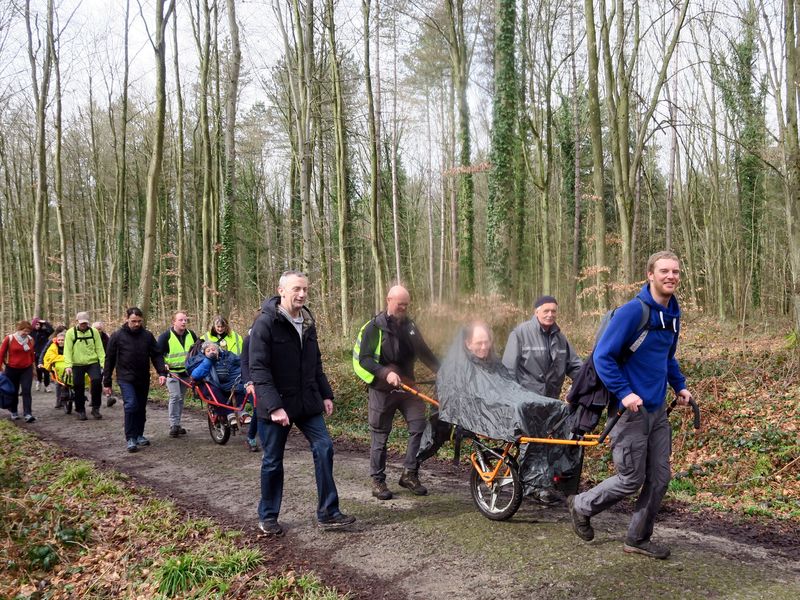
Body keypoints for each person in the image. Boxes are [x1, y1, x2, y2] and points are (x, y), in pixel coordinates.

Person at [568, 251, 694, 560]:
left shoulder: (673, 316)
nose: (671, 276)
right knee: (630, 479)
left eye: (675, 272)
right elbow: (603, 357)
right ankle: (581, 505)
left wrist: (680, 386)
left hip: (657, 412)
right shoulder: (631, 312)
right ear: (650, 275)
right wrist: (624, 392)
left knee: (660, 478)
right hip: (629, 412)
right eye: (664, 271)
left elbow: (667, 357)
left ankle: (638, 538)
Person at [249, 270, 355, 536]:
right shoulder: (265, 323)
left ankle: (328, 512)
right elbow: (258, 369)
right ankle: (268, 516)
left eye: (305, 289)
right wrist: (274, 406)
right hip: (276, 404)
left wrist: (326, 393)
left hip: (306, 401)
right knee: (273, 461)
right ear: (281, 290)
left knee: (324, 447)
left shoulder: (308, 322)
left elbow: (315, 362)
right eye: (297, 289)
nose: (302, 294)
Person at [420, 322, 581, 494]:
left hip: (508, 400)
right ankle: (534, 482)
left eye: (486, 342)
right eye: (479, 343)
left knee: (558, 408)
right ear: (468, 343)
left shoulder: (493, 363)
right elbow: (461, 397)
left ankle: (557, 476)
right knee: (521, 411)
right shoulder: (456, 368)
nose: (484, 347)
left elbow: (508, 385)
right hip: (488, 409)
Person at [354, 285, 440, 500]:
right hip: (382, 390)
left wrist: (442, 371)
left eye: (406, 304)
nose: (403, 307)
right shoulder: (374, 327)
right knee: (380, 435)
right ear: (388, 300)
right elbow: (363, 359)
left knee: (419, 426)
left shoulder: (410, 326)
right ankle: (378, 481)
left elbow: (424, 352)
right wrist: (385, 373)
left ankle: (409, 473)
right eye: (400, 303)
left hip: (408, 388)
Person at [502, 295, 583, 503]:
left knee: (550, 443)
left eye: (553, 311)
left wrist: (583, 384)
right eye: (545, 310)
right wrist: (512, 399)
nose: (550, 314)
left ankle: (544, 484)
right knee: (531, 444)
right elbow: (508, 370)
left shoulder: (560, 338)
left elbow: (575, 366)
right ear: (536, 311)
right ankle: (533, 488)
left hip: (551, 402)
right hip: (527, 402)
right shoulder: (520, 334)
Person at [103, 308, 167, 453]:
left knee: (140, 407)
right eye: (133, 321)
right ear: (126, 319)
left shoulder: (147, 336)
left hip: (143, 377)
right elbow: (109, 359)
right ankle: (130, 437)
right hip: (125, 378)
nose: (137, 324)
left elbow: (156, 355)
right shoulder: (117, 336)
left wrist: (161, 372)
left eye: (139, 321)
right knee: (131, 405)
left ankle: (139, 434)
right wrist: (107, 382)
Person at [157, 312, 198, 437]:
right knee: (175, 396)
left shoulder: (191, 334)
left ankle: (177, 423)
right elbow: (157, 355)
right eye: (181, 320)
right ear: (174, 322)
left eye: (185, 320)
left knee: (181, 398)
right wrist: (162, 367)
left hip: (186, 371)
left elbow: (197, 351)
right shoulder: (165, 337)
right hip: (172, 372)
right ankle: (173, 424)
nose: (184, 322)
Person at [188, 341, 244, 427]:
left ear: (218, 351)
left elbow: (238, 366)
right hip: (210, 384)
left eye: (213, 349)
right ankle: (228, 413)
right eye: (208, 351)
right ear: (204, 353)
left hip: (226, 383)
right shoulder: (201, 360)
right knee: (214, 390)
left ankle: (240, 410)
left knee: (240, 386)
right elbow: (195, 375)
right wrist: (209, 360)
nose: (211, 352)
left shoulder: (226, 357)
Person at [63, 311, 106, 421]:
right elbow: (67, 350)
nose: (83, 325)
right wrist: (68, 365)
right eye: (81, 323)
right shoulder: (70, 333)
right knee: (78, 386)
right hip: (77, 363)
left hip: (92, 362)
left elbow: (99, 348)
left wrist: (103, 364)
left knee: (96, 382)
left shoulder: (94, 332)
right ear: (77, 321)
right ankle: (80, 410)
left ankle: (95, 408)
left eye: (85, 323)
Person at [1, 320, 37, 422]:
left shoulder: (30, 339)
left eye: (28, 331)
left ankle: (28, 414)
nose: (26, 333)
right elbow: (1, 353)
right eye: (25, 331)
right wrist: (0, 368)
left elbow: (31, 354)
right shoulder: (10, 338)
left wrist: (33, 367)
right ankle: (14, 411)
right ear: (19, 329)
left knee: (26, 391)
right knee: (13, 391)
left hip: (26, 368)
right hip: (12, 369)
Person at [30, 318, 54, 392]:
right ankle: (39, 381)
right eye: (36, 324)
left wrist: (45, 322)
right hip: (35, 353)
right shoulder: (31, 333)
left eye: (39, 324)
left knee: (46, 369)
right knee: (38, 369)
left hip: (44, 353)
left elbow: (51, 330)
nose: (38, 326)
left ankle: (47, 385)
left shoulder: (44, 332)